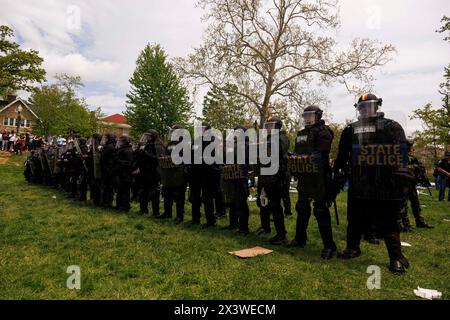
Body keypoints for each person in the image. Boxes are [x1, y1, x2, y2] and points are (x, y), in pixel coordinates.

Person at [334, 93, 410, 274]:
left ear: (377, 106)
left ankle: (396, 257)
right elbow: (342, 157)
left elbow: (401, 152)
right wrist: (336, 174)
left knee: (389, 220)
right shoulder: (350, 130)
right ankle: (352, 248)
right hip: (359, 181)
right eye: (362, 107)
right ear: (358, 109)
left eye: (369, 105)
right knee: (354, 218)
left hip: (384, 182)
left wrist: (401, 175)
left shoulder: (391, 126)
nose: (365, 109)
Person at [287, 105, 337, 259]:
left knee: (320, 210)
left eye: (310, 115)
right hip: (304, 176)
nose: (307, 118)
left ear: (318, 116)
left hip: (318, 177)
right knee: (302, 207)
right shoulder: (301, 133)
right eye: (305, 116)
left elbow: (321, 154)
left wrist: (303, 159)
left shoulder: (324, 132)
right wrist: (293, 157)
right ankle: (300, 239)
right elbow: (298, 151)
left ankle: (329, 246)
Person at [256, 116, 290, 245]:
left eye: (271, 125)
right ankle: (268, 228)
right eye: (267, 125)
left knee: (275, 206)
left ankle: (281, 234)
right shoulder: (268, 139)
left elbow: (276, 154)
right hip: (267, 176)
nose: (268, 127)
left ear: (277, 126)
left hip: (277, 177)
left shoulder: (281, 138)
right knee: (267, 204)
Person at [188, 122, 221, 227]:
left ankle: (210, 221)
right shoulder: (196, 141)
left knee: (207, 198)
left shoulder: (212, 141)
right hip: (195, 173)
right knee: (195, 197)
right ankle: (195, 218)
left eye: (202, 128)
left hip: (208, 174)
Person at [221, 125, 251, 235]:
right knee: (232, 201)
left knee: (241, 202)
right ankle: (233, 224)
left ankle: (244, 228)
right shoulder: (233, 145)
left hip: (241, 177)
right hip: (231, 176)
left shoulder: (247, 146)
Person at [400, 141, 434, 230]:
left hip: (412, 182)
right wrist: (413, 167)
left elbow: (419, 167)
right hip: (404, 183)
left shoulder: (412, 157)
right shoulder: (400, 156)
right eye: (411, 146)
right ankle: (405, 224)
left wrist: (420, 169)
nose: (412, 148)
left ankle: (420, 222)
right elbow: (402, 168)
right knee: (404, 205)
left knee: (416, 203)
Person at [158, 125, 188, 224]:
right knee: (167, 194)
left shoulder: (184, 143)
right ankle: (167, 212)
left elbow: (187, 159)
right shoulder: (169, 143)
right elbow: (166, 154)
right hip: (168, 173)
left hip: (179, 173)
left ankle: (179, 216)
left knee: (179, 196)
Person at [134, 130, 164, 216]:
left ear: (154, 136)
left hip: (154, 172)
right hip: (144, 171)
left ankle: (155, 212)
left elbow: (158, 159)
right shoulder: (146, 145)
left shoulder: (158, 145)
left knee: (154, 193)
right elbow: (140, 158)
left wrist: (146, 153)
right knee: (142, 191)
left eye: (149, 136)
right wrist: (138, 151)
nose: (147, 138)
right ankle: (143, 210)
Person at [115, 135, 134, 212]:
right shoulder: (121, 149)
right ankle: (119, 205)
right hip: (121, 172)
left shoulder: (128, 150)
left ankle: (125, 207)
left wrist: (119, 161)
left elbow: (129, 163)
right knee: (120, 190)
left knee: (125, 191)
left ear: (125, 142)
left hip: (125, 174)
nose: (119, 142)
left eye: (121, 141)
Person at [100, 133, 117, 208]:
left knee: (108, 187)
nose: (105, 140)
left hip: (108, 169)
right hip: (107, 168)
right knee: (106, 186)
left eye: (106, 138)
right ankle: (105, 202)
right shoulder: (108, 146)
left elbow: (103, 157)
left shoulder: (110, 147)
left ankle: (107, 202)